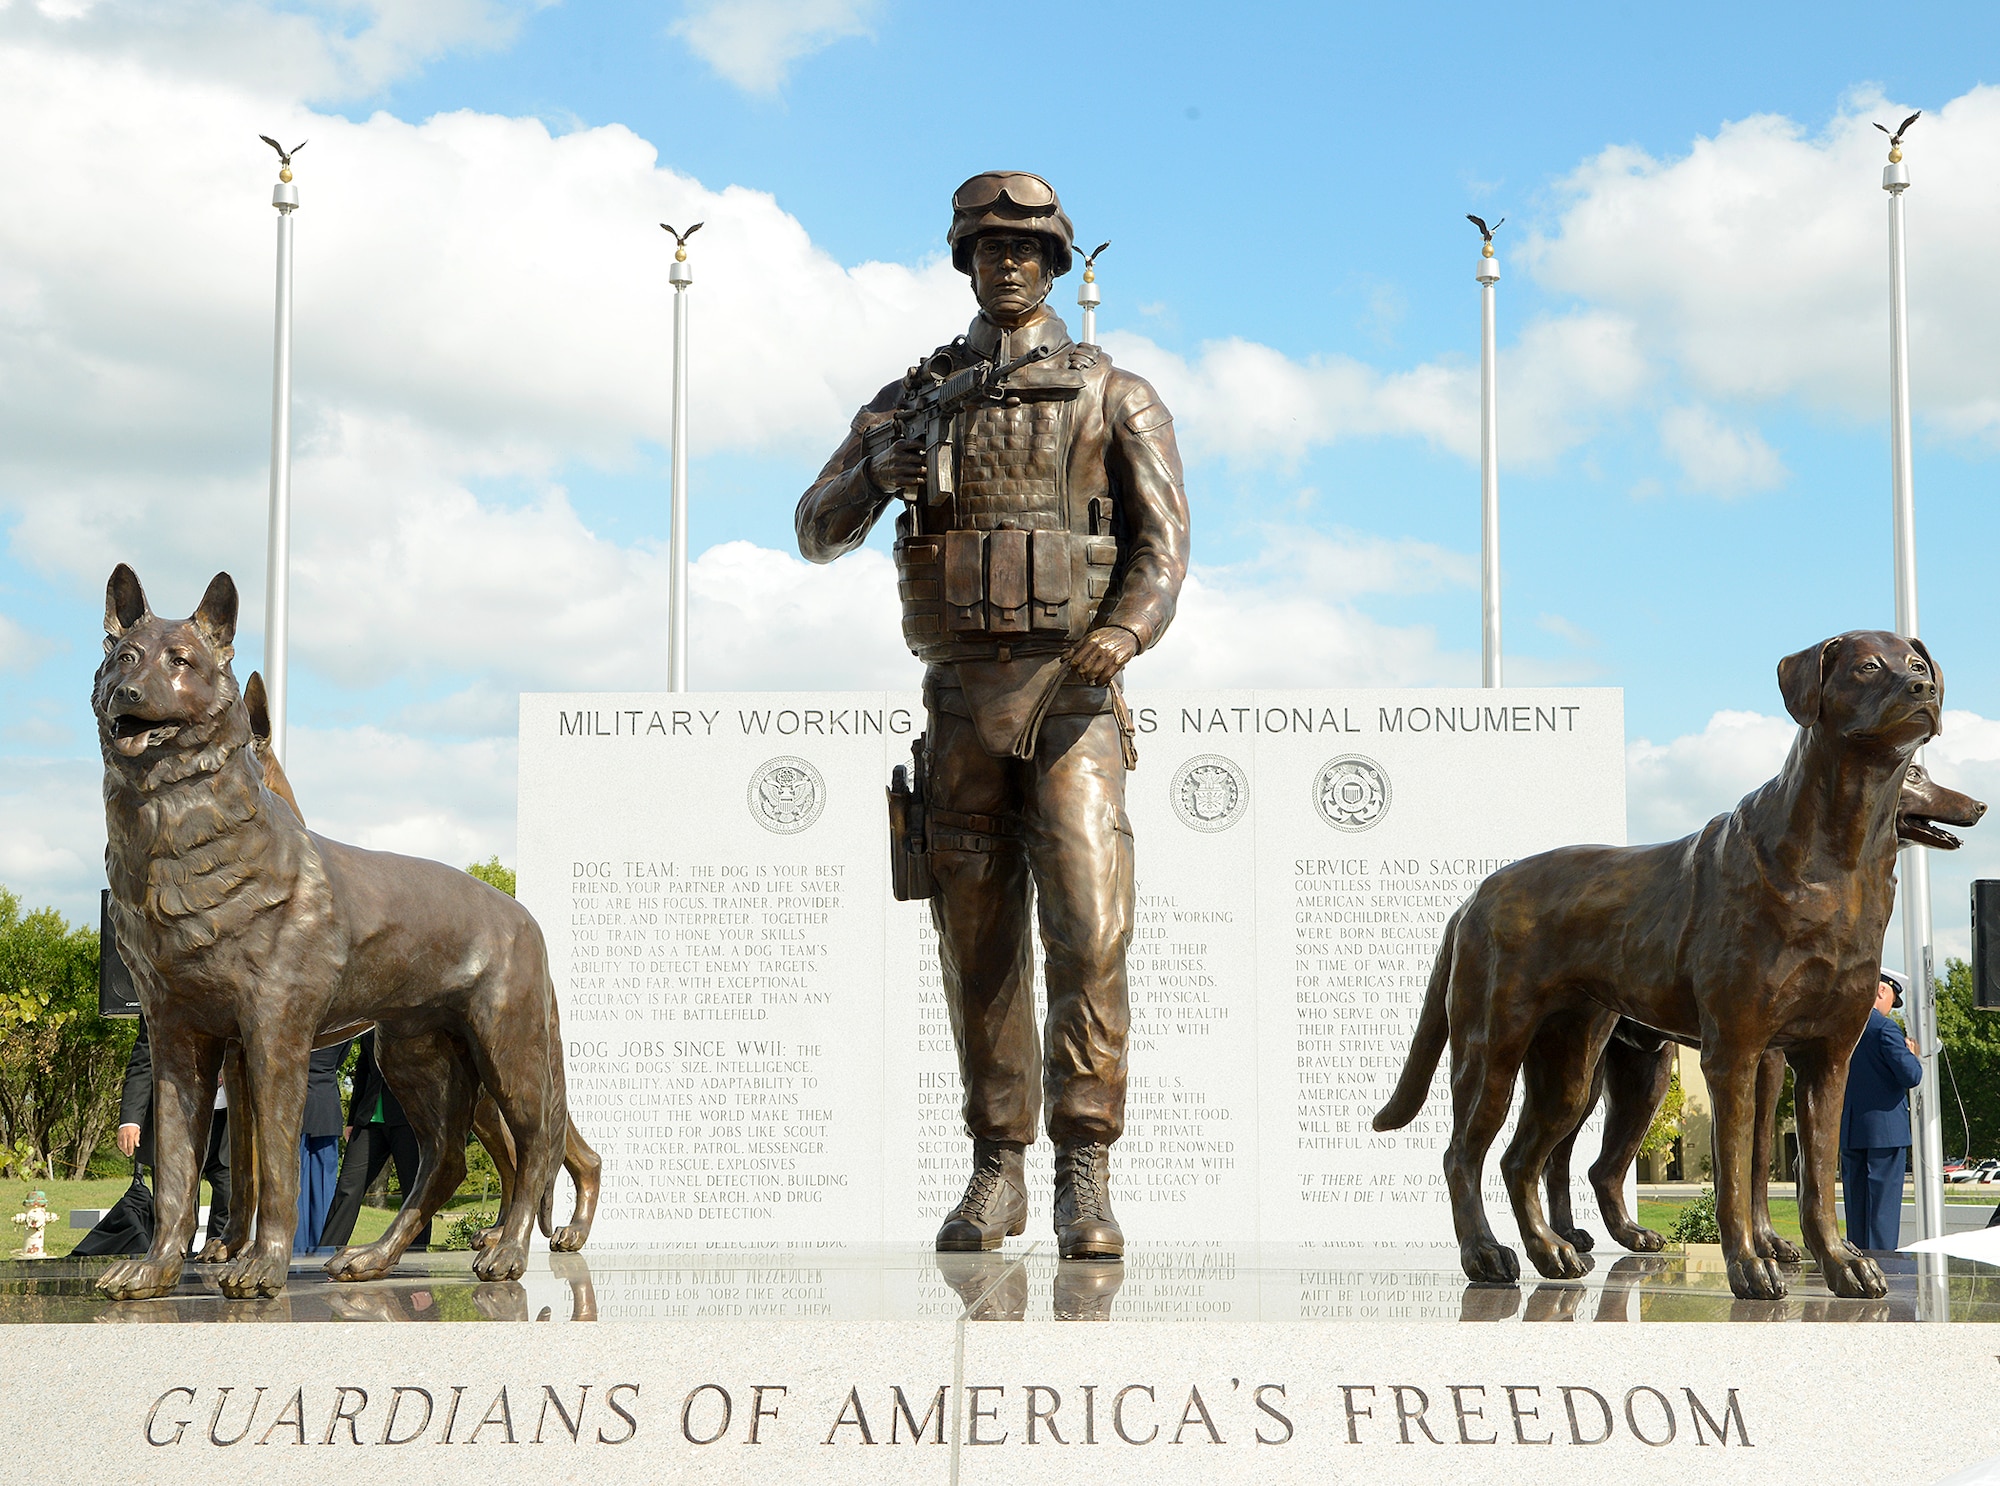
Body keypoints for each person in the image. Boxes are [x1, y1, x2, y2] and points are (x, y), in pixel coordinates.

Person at [796, 171, 1190, 1260]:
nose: (1005, 263)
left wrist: (1124, 633)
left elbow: (1161, 545)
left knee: (1088, 927)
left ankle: (1084, 1167)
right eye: (985, 248)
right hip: (959, 700)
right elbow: (815, 529)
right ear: (962, 261)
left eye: (1025, 249)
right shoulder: (913, 398)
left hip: (1073, 699)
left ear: (1055, 264)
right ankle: (995, 1166)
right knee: (974, 943)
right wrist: (875, 470)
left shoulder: (1116, 393)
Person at [114, 1014, 229, 1251]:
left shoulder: (240, 998)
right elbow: (144, 1062)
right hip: (178, 1124)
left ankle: (219, 1264)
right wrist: (130, 1121)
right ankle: (174, 1267)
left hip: (227, 1124)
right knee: (176, 1211)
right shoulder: (164, 999)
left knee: (229, 1203)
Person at [317, 1030, 431, 1251]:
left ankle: (417, 1260)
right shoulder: (372, 1024)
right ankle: (326, 1254)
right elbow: (363, 1070)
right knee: (348, 1188)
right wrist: (352, 1120)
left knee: (415, 1191)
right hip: (369, 1119)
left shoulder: (417, 1019)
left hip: (408, 1119)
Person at [1840, 968, 1924, 1252]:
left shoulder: (1844, 1026)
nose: (1891, 1008)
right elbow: (1911, 1076)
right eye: (1893, 999)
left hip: (1852, 1130)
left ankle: (1859, 1262)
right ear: (1881, 991)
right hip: (1886, 1133)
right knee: (1882, 1214)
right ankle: (1882, 1266)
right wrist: (1912, 1056)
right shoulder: (1884, 1028)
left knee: (1857, 1210)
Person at [295, 1039, 353, 1253]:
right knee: (324, 1188)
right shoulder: (338, 1029)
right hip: (326, 1106)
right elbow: (340, 1058)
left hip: (297, 1106)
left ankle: (296, 1250)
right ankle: (323, 1250)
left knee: (295, 1187)